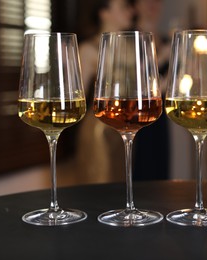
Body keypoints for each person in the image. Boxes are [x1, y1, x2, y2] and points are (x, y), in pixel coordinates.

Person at [75, 0, 134, 183]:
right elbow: (77, 98)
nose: (130, 11)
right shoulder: (89, 49)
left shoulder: (133, 48)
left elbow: (146, 91)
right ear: (104, 13)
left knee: (123, 182)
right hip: (99, 130)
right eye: (123, 7)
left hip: (128, 125)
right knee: (99, 182)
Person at [131, 0, 171, 180]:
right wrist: (163, 57)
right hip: (135, 112)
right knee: (139, 166)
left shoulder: (166, 40)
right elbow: (136, 82)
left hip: (161, 115)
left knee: (160, 167)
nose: (152, 4)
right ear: (136, 5)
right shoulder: (129, 39)